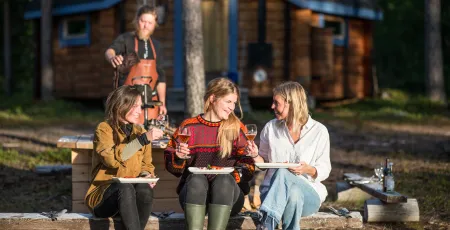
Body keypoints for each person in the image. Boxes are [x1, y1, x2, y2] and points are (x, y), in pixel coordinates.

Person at [164, 78, 256, 230]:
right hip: (195, 195)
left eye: (234, 103)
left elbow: (249, 168)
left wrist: (233, 175)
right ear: (213, 99)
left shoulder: (236, 128)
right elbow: (173, 168)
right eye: (228, 102)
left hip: (229, 196)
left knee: (223, 181)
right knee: (196, 179)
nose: (232, 107)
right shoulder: (189, 126)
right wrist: (179, 157)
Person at [248, 82, 331, 230]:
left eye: (276, 103)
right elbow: (263, 164)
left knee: (283, 171)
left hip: (309, 194)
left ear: (291, 104)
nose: (272, 107)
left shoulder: (319, 131)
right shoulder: (270, 128)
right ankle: (271, 221)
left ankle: (267, 221)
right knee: (293, 193)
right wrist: (255, 155)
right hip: (273, 192)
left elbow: (324, 169)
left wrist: (307, 169)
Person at [85, 85, 164, 230]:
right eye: (136, 106)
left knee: (145, 189)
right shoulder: (104, 129)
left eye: (141, 107)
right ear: (121, 105)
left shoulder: (140, 131)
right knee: (125, 188)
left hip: (131, 196)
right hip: (103, 196)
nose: (140, 112)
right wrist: (141, 140)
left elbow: (147, 165)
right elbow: (111, 160)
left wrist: (147, 175)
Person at [105, 5, 167, 121]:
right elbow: (110, 51)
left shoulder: (157, 46)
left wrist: (162, 103)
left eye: (150, 23)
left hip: (151, 102)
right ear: (137, 20)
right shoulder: (126, 39)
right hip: (128, 101)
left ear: (154, 25)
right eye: (143, 21)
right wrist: (112, 57)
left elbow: (161, 78)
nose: (146, 25)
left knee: (151, 135)